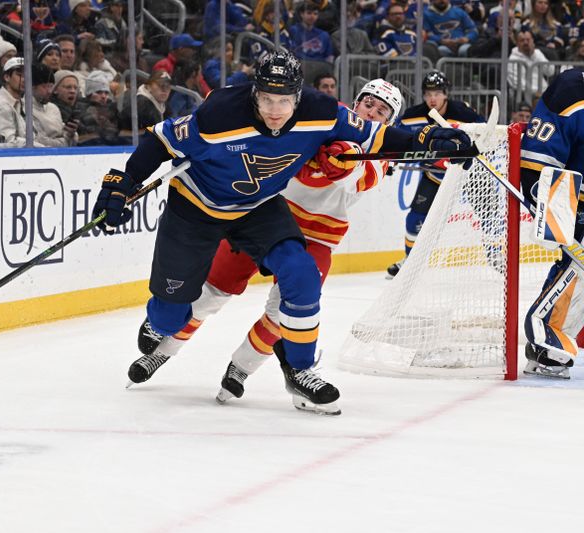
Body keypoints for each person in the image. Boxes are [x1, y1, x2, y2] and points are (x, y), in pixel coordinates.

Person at [93, 51, 471, 412]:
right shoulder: (221, 112)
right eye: (267, 100)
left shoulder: (326, 116)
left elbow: (366, 158)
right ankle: (164, 336)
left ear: (298, 97)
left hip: (274, 215)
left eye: (285, 101)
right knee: (191, 305)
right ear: (255, 93)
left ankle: (290, 369)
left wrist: (424, 141)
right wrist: (123, 179)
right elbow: (161, 140)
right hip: (202, 208)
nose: (276, 111)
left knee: (298, 282)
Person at [129, 79, 404, 412]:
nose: (372, 112)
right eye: (368, 104)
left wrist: (338, 161)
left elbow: (349, 178)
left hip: (318, 235)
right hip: (267, 216)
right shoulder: (328, 119)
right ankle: (163, 351)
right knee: (214, 291)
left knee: (287, 308)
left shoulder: (381, 154)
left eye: (382, 111)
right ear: (356, 103)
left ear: (390, 121)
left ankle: (242, 368)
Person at [386, 70, 485, 278]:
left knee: (489, 215)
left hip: (467, 174)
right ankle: (410, 261)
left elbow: (484, 134)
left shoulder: (463, 112)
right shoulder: (412, 115)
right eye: (428, 93)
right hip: (435, 174)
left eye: (437, 93)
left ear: (446, 94)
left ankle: (497, 253)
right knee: (414, 219)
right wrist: (389, 160)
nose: (433, 98)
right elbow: (393, 137)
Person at [520, 67, 584, 379]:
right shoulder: (570, 89)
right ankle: (547, 344)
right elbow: (536, 163)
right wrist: (551, 212)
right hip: (575, 198)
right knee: (577, 270)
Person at [31, 62, 78, 147]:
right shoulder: (25, 108)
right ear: (32, 87)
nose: (49, 91)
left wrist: (71, 134)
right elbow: (39, 142)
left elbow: (68, 135)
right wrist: (65, 141)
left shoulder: (53, 108)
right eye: (45, 86)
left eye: (51, 86)